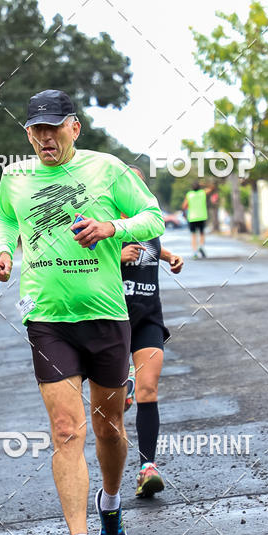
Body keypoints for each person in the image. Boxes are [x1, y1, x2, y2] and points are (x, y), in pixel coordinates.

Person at [0, 89, 165, 535]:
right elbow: (5, 217)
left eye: (53, 128)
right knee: (67, 431)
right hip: (47, 318)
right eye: (36, 130)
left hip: (106, 317)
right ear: (28, 134)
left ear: (74, 128)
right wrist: (4, 250)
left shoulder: (107, 170)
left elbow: (152, 215)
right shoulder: (16, 178)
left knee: (109, 429)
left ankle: (110, 503)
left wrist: (112, 227)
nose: (45, 137)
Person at [120, 168, 184, 497]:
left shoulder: (148, 224)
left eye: (139, 187)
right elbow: (79, 262)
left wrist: (171, 256)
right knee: (112, 404)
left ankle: (148, 468)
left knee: (149, 390)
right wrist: (115, 254)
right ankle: (110, 486)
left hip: (148, 317)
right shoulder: (103, 224)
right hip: (112, 321)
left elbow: (154, 250)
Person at [182, 179, 213, 259]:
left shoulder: (189, 194)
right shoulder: (203, 193)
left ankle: (195, 252)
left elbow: (184, 206)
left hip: (192, 217)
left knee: (193, 235)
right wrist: (203, 183)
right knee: (202, 233)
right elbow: (211, 187)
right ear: (199, 187)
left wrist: (185, 212)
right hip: (202, 216)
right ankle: (201, 246)